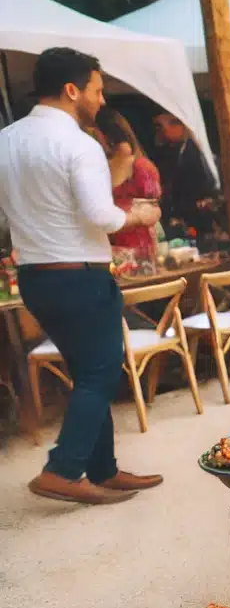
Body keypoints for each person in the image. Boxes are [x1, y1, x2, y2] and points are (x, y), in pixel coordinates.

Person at [0, 48, 164, 504]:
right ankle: (64, 468)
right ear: (72, 90)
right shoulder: (79, 144)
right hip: (80, 274)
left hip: (35, 277)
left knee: (88, 369)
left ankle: (102, 469)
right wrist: (139, 215)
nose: (101, 97)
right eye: (97, 88)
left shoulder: (6, 139)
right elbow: (101, 215)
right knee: (101, 371)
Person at [95, 108, 162, 262]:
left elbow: (153, 211)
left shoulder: (140, 167)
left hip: (137, 251)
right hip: (107, 251)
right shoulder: (99, 167)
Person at [149, 113, 217, 237]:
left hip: (195, 215)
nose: (161, 133)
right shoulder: (169, 151)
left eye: (162, 127)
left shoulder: (194, 151)